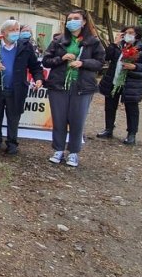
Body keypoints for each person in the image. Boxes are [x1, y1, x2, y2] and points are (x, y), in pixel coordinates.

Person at [42, 9, 105, 167]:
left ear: (84, 22)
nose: (72, 21)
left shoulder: (93, 42)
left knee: (77, 120)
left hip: (81, 87)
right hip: (58, 86)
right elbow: (46, 60)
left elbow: (100, 62)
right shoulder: (58, 40)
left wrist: (83, 63)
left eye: (76, 18)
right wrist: (61, 58)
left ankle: (74, 152)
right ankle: (58, 149)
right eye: (69, 19)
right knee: (59, 119)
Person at [0, 19, 44, 155]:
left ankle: (12, 143)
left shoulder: (25, 47)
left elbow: (35, 66)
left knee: (14, 117)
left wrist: (38, 79)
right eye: (12, 30)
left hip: (16, 89)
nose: (16, 33)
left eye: (17, 30)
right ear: (3, 32)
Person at [97, 25, 142, 145]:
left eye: (130, 33)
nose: (127, 35)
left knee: (131, 109)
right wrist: (114, 44)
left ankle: (131, 134)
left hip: (131, 83)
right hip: (113, 80)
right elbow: (106, 57)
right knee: (110, 106)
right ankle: (108, 129)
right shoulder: (119, 45)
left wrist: (136, 67)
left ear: (137, 35)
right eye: (125, 33)